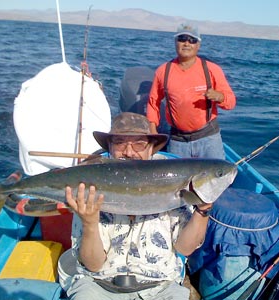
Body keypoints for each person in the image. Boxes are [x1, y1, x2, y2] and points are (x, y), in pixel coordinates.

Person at [63, 112, 213, 300]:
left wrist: (203, 209)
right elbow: (93, 265)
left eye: (139, 144)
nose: (129, 151)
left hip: (161, 286)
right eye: (119, 143)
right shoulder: (90, 188)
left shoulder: (174, 182)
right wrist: (89, 223)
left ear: (151, 149)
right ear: (109, 147)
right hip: (98, 285)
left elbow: (184, 249)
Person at [147, 23, 236, 159]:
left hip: (208, 139)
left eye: (192, 40)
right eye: (182, 39)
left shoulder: (212, 70)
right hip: (178, 141)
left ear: (198, 45)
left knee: (218, 179)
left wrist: (220, 97)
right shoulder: (162, 71)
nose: (187, 43)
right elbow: (153, 104)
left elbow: (231, 103)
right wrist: (153, 135)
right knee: (178, 181)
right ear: (175, 42)